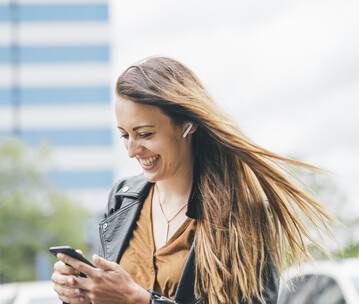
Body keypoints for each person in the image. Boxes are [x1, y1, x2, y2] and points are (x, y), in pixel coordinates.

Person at [51, 57, 334, 304]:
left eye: (145, 134)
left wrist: (140, 301)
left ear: (188, 124)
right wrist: (82, 293)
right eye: (125, 135)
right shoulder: (123, 199)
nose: (132, 150)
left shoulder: (240, 213)